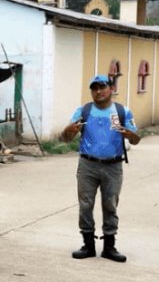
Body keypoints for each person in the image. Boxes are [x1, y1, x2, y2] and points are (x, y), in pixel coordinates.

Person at [61, 75, 140, 263]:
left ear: (111, 89)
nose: (98, 91)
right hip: (87, 165)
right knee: (85, 204)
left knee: (110, 205)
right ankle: (88, 245)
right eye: (94, 88)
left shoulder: (122, 111)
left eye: (102, 87)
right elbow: (65, 138)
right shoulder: (84, 111)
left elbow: (136, 139)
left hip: (113, 166)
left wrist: (131, 135)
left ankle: (109, 247)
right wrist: (69, 130)